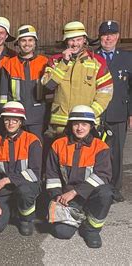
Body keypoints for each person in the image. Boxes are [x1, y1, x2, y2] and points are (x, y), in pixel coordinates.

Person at [46, 105, 113, 248]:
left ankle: (91, 229)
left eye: (84, 124)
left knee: (106, 192)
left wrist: (75, 191)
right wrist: (57, 195)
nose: (80, 128)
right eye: (76, 124)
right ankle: (78, 215)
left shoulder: (100, 146)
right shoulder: (58, 145)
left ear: (91, 126)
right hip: (67, 198)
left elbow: (102, 175)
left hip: (91, 194)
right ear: (70, 125)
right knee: (62, 232)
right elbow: (52, 175)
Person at [41, 21, 113, 138]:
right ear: (66, 41)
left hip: (86, 125)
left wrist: (88, 114)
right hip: (60, 125)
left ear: (84, 39)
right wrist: (64, 63)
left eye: (78, 40)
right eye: (71, 40)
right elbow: (48, 85)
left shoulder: (98, 63)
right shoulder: (55, 61)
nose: (75, 44)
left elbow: (105, 93)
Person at [0, 101, 42, 236]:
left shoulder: (32, 141)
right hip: (4, 190)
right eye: (7, 120)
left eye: (15, 120)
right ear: (3, 121)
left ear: (21, 122)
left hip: (25, 186)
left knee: (24, 191)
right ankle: (10, 208)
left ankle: (25, 219)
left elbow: (34, 173)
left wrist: (7, 180)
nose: (10, 124)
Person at [95, 20, 132, 202]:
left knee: (116, 153)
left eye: (112, 34)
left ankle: (115, 187)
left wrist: (131, 112)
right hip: (97, 113)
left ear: (117, 36)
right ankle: (98, 186)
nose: (108, 38)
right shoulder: (92, 56)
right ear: (99, 37)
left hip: (118, 113)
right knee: (98, 152)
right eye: (104, 35)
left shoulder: (128, 58)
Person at [0, 25, 49, 140]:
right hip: (15, 117)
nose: (27, 44)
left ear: (35, 42)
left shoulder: (45, 63)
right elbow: (3, 95)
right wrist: (6, 116)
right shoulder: (9, 65)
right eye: (23, 40)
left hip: (38, 118)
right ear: (18, 43)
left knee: (37, 149)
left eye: (30, 40)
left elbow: (51, 93)